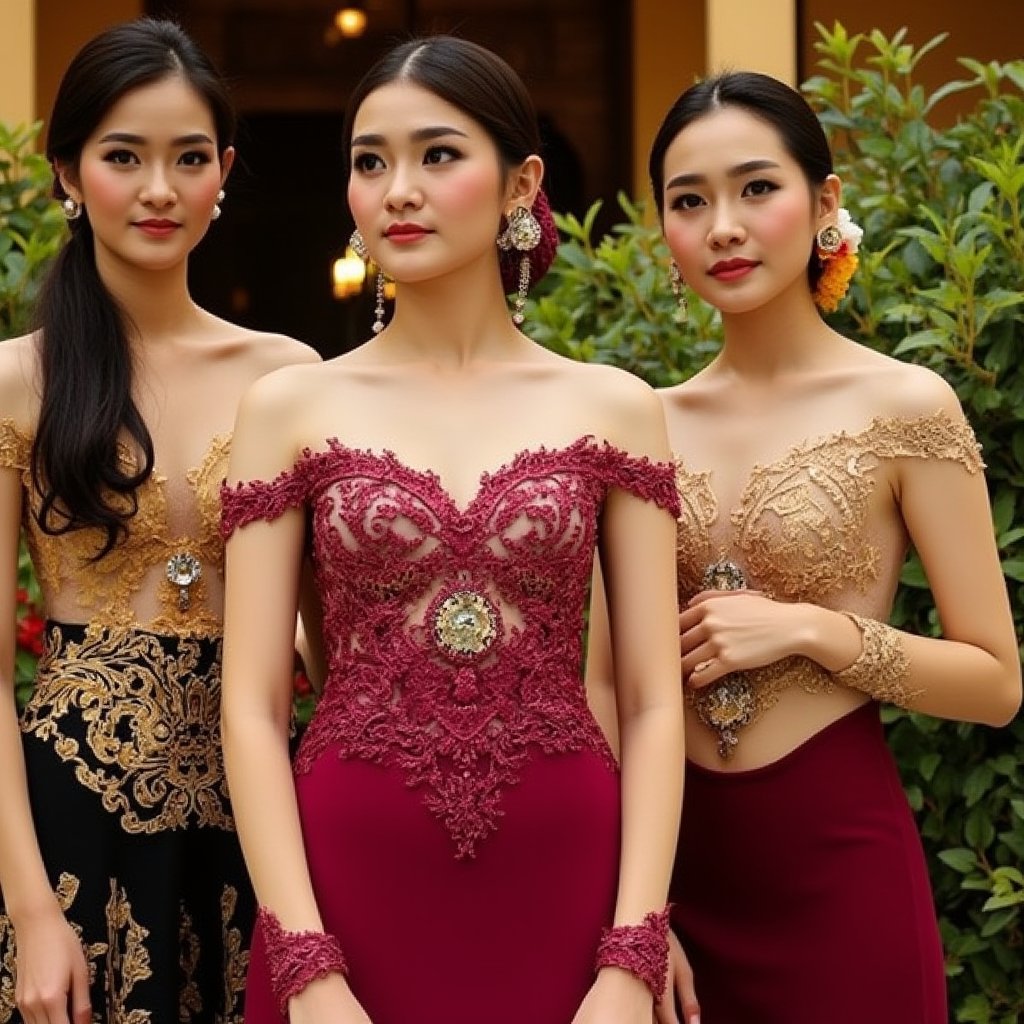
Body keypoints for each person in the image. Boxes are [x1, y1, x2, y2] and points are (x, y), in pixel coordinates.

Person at [219, 35, 684, 1024]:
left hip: (565, 883)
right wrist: (303, 961)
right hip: (346, 882)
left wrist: (633, 950)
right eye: (369, 161)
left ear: (521, 183)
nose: (398, 189)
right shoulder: (287, 408)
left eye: (438, 155)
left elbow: (649, 702)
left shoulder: (616, 407)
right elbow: (253, 710)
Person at [587, 70, 1021, 1023]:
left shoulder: (907, 407)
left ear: (825, 202)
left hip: (840, 865)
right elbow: (606, 689)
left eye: (757, 188)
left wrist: (815, 633)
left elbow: (995, 683)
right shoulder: (637, 422)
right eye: (688, 201)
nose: (724, 227)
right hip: (673, 871)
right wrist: (633, 919)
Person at [0, 18, 318, 1024]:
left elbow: (330, 626)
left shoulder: (290, 376)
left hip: (260, 808)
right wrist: (30, 911)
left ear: (222, 172)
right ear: (67, 173)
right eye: (122, 156)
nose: (157, 190)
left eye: (188, 159)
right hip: (71, 822)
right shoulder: (16, 383)